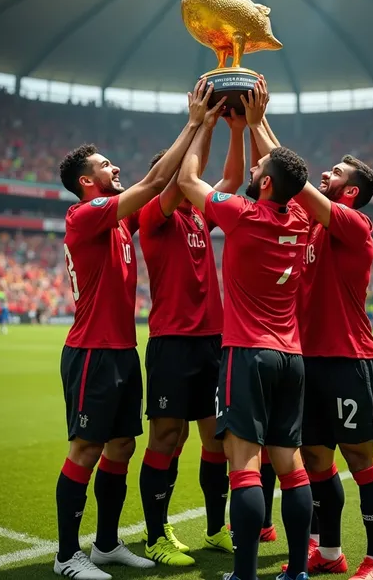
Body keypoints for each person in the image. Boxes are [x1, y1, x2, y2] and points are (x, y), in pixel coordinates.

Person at [54, 97, 214, 580]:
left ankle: (104, 545)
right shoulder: (85, 216)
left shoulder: (120, 219)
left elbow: (165, 185)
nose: (115, 165)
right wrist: (193, 122)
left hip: (122, 352)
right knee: (85, 449)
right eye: (105, 164)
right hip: (91, 353)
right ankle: (66, 555)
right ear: (88, 182)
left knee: (120, 446)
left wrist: (203, 129)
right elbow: (151, 183)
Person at [178, 78, 312, 580]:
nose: (252, 170)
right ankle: (296, 571)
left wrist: (203, 122)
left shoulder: (241, 216)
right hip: (291, 357)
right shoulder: (299, 216)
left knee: (245, 466)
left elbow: (190, 181)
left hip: (247, 353)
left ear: (267, 185)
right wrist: (253, 127)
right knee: (291, 465)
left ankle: (246, 574)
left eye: (258, 170)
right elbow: (280, 169)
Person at [260, 115, 373, 580]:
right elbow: (288, 172)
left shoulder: (355, 224)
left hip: (348, 360)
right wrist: (258, 124)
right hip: (308, 362)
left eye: (335, 173)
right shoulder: (312, 224)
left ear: (350, 191)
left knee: (360, 459)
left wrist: (258, 121)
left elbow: (296, 179)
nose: (325, 174)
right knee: (316, 459)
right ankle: (330, 551)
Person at [139, 79, 245, 565]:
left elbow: (233, 179)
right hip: (173, 343)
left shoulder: (201, 216)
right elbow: (179, 177)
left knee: (215, 439)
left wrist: (235, 130)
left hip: (211, 343)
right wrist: (198, 125)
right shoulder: (153, 216)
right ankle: (157, 536)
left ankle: (215, 529)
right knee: (168, 438)